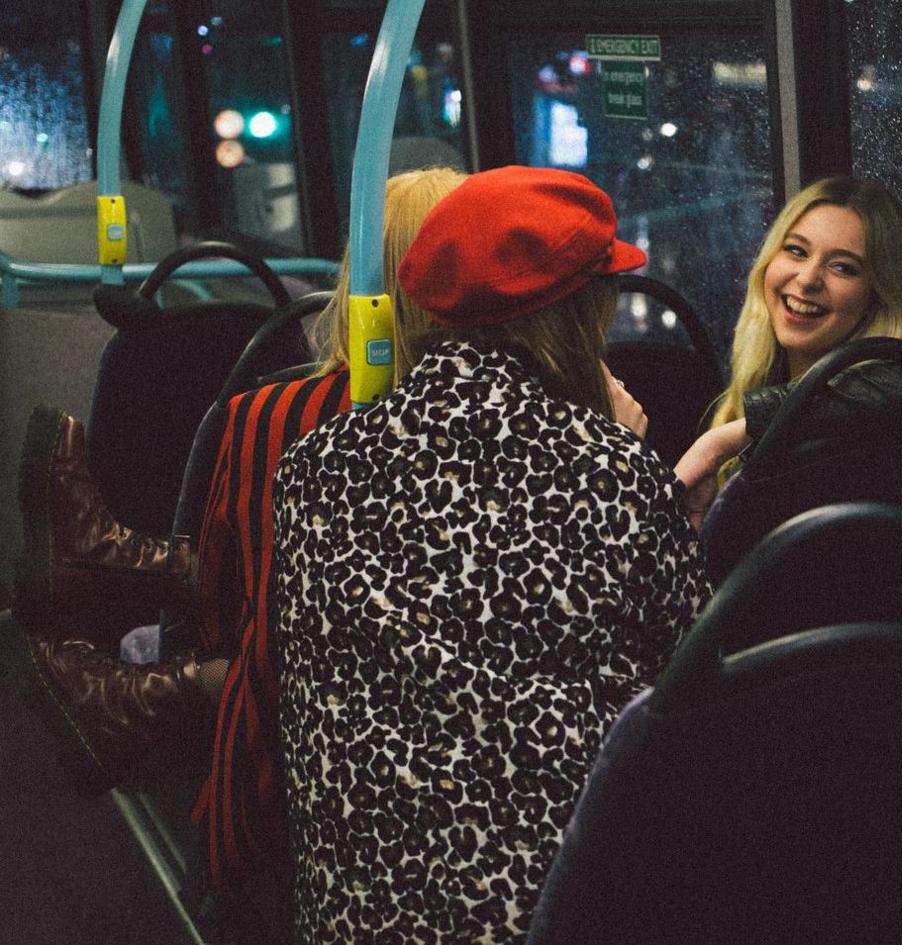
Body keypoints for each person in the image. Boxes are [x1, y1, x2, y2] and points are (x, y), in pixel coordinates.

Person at [3, 168, 469, 933]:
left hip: (318, 757)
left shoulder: (284, 416)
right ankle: (110, 581)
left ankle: (126, 640)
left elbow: (230, 613)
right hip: (444, 741)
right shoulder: (567, 433)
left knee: (247, 602)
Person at [271, 166, 710, 943]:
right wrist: (643, 468)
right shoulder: (613, 473)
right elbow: (687, 689)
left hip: (353, 905)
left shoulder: (316, 464)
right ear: (578, 314)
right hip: (541, 912)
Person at [677, 176, 902, 525]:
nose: (807, 279)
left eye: (842, 267)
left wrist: (718, 442)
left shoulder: (875, 430)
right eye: (796, 250)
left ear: (875, 297)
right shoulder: (756, 394)